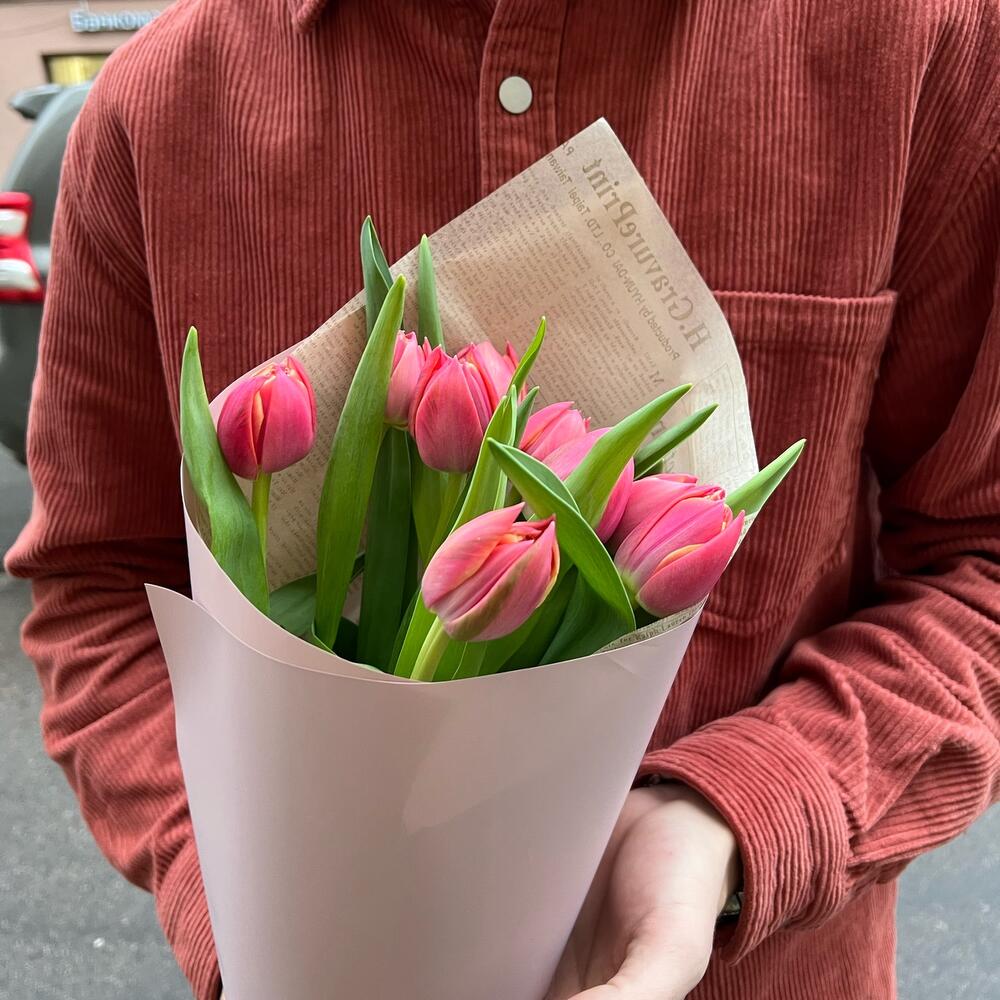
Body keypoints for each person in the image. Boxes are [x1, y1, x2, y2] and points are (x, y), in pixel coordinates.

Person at [7, 1, 999, 998]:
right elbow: (103, 592)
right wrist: (261, 926)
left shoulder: (925, 48)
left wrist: (736, 816)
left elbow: (982, 563)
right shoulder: (160, 106)